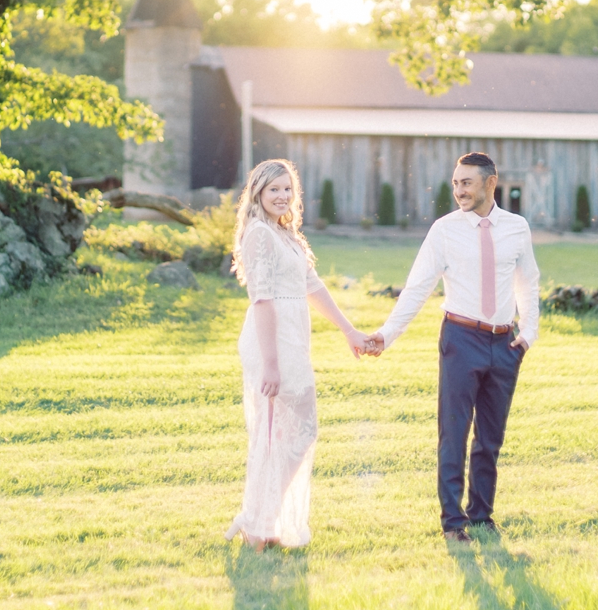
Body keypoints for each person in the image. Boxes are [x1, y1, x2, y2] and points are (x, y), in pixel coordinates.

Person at [364, 152, 540, 542]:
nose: (458, 190)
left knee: (490, 437)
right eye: (455, 182)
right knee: (454, 432)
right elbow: (418, 287)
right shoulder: (444, 231)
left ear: (490, 183)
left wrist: (528, 334)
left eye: (466, 182)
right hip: (460, 339)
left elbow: (529, 281)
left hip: (505, 343)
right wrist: (387, 334)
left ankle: (481, 515)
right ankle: (453, 522)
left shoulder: (517, 227)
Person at [224, 158, 370, 551]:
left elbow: (314, 286)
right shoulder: (258, 234)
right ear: (257, 193)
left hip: (293, 337)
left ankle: (261, 520)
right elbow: (262, 301)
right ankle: (259, 523)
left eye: (288, 189)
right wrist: (270, 364)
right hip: (270, 340)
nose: (283, 196)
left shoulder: (285, 234)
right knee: (284, 432)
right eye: (274, 189)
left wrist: (349, 331)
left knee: (292, 433)